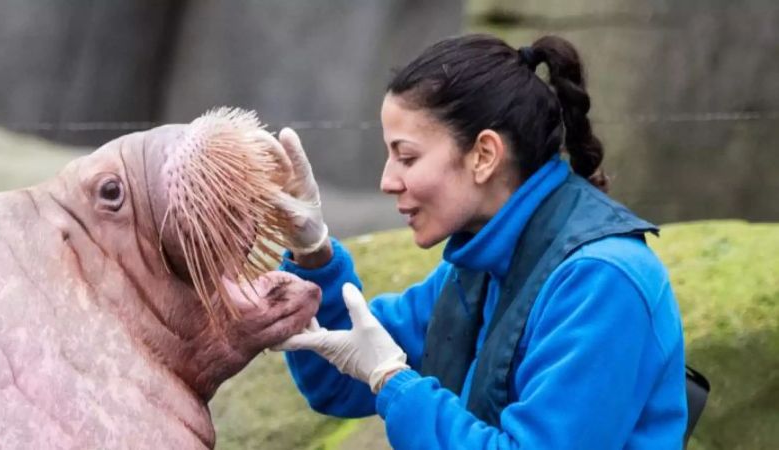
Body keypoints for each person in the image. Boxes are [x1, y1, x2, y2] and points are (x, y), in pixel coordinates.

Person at [269, 33, 687, 449]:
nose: (387, 181)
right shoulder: (473, 267)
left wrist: (393, 380)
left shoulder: (602, 282)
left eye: (407, 157)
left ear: (484, 155)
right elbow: (341, 379)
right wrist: (312, 252)